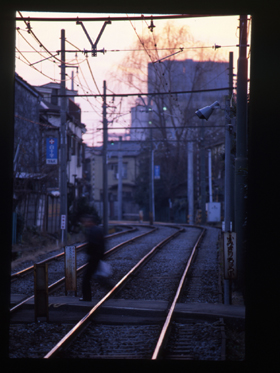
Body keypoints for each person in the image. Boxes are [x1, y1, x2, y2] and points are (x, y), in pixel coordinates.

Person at [79, 214, 108, 301]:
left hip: (93, 257)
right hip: (97, 257)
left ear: (91, 222)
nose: (85, 223)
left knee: (86, 278)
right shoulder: (98, 230)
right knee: (98, 277)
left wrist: (88, 252)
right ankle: (113, 289)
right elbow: (103, 244)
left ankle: (86, 297)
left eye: (87, 222)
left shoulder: (93, 231)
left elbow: (92, 244)